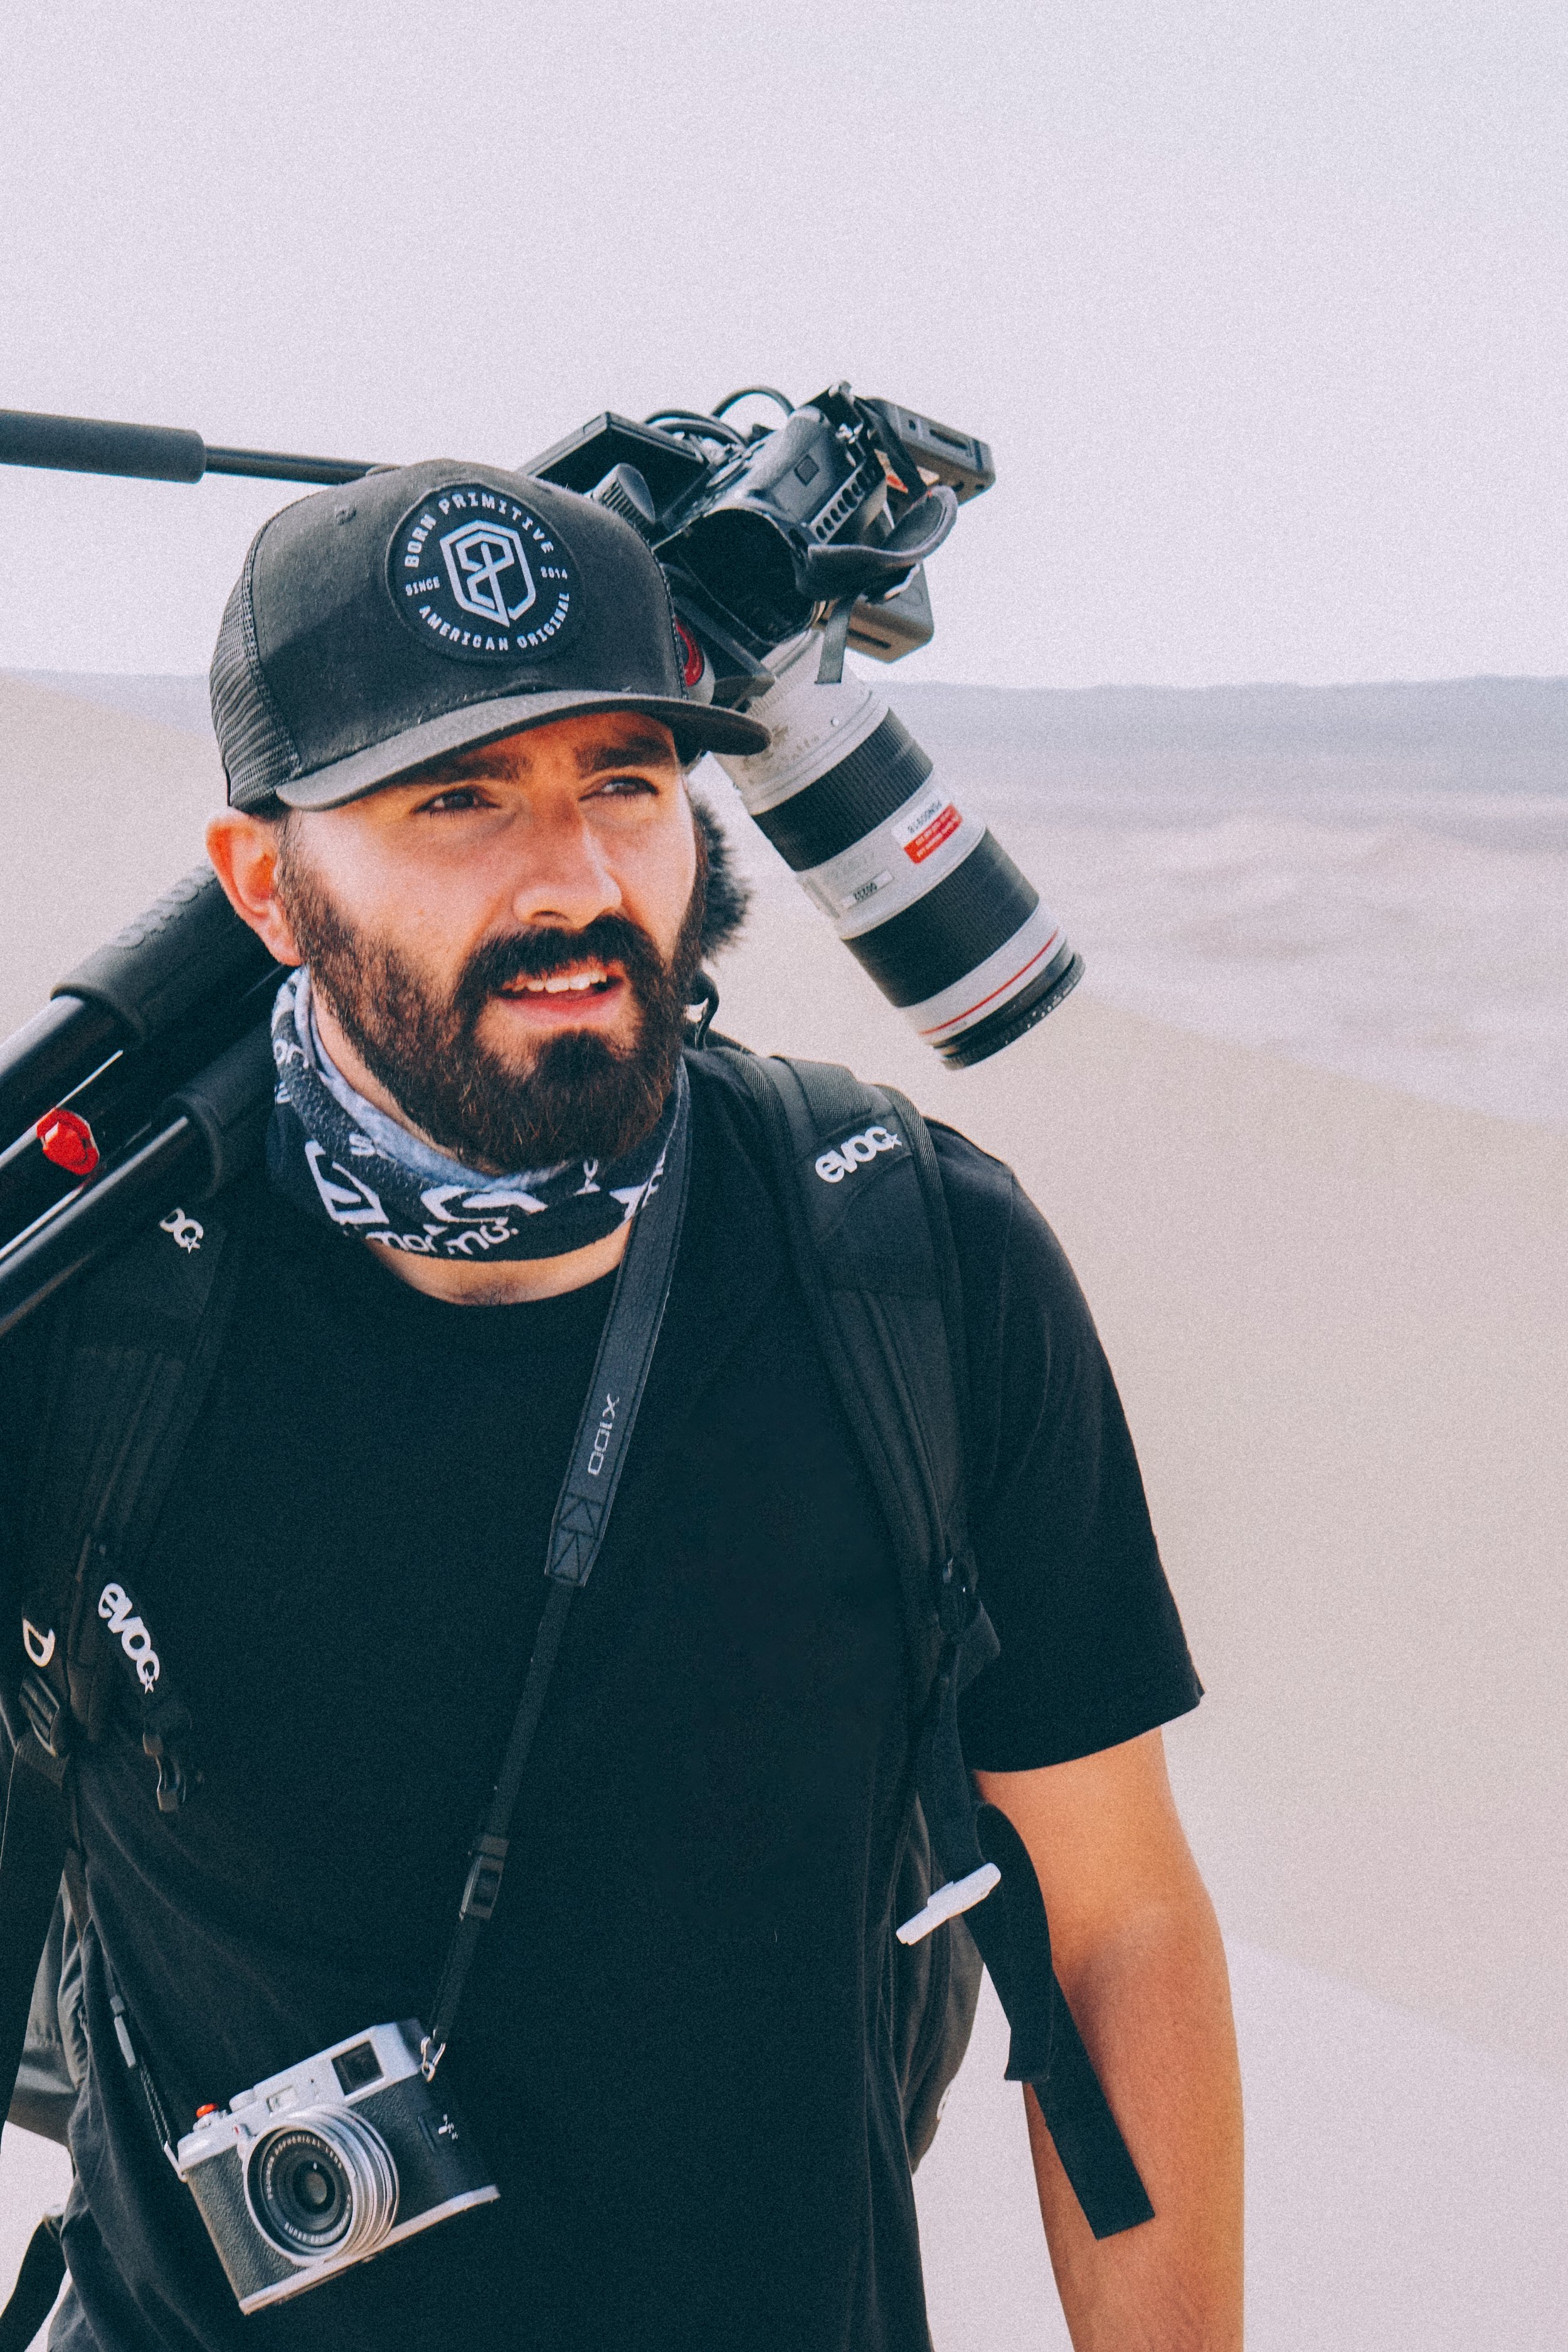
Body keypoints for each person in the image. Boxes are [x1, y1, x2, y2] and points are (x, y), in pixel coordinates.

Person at [0, 460, 1241, 2351]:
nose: (574, 879)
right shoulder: (94, 1320)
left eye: (626, 783)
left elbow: (1111, 1924)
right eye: (457, 797)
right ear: (266, 884)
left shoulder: (912, 1265)